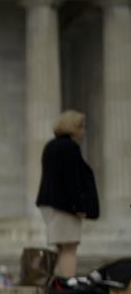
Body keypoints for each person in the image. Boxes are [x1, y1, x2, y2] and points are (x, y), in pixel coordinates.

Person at [36, 110, 99, 279]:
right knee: (70, 247)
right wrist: (78, 206)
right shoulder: (69, 148)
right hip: (64, 206)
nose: (83, 131)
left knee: (61, 247)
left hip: (49, 204)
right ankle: (68, 284)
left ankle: (55, 282)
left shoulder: (51, 146)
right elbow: (72, 180)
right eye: (81, 127)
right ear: (73, 128)